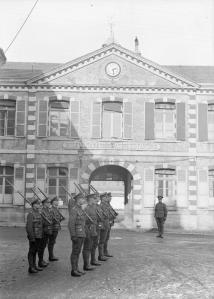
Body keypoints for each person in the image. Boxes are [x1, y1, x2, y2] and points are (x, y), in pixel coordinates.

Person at [68, 193, 86, 277]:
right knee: (75, 252)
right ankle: (74, 270)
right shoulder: (74, 210)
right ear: (78, 199)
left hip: (81, 234)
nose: (84, 200)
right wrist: (73, 235)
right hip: (77, 235)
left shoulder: (80, 209)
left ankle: (77, 268)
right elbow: (71, 224)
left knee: (78, 252)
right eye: (82, 199)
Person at [26, 198, 43, 274]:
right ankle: (31, 267)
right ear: (33, 205)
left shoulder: (38, 213)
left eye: (39, 204)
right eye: (37, 204)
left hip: (39, 236)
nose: (38, 205)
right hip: (34, 236)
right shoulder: (31, 214)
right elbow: (29, 227)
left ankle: (34, 266)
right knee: (32, 251)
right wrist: (31, 237)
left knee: (35, 251)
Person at [82, 193, 97, 270]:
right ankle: (86, 265)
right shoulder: (87, 208)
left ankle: (88, 263)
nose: (96, 200)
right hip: (88, 230)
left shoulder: (92, 207)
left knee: (90, 246)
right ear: (90, 199)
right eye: (94, 199)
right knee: (87, 247)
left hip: (92, 230)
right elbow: (84, 221)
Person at [48, 196, 65, 261]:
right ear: (53, 202)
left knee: (52, 241)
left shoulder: (56, 209)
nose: (57, 202)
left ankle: (51, 255)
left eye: (58, 201)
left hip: (56, 228)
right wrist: (57, 220)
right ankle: (51, 256)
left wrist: (60, 219)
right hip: (52, 228)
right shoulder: (51, 209)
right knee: (51, 242)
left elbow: (57, 219)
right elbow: (50, 219)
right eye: (56, 201)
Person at [38, 197, 53, 267]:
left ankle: (42, 260)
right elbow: (41, 221)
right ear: (44, 203)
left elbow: (50, 218)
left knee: (44, 246)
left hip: (47, 230)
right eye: (48, 203)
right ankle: (40, 261)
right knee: (41, 246)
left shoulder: (48, 210)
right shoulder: (42, 211)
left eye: (50, 202)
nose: (49, 204)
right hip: (43, 231)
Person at [103, 192, 118, 257]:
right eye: (109, 197)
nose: (110, 198)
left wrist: (114, 214)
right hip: (105, 224)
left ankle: (105, 252)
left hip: (109, 223)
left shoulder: (108, 205)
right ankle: (104, 252)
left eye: (110, 197)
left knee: (106, 238)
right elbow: (105, 215)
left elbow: (111, 212)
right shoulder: (103, 205)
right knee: (104, 239)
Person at [98, 192, 110, 261]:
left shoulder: (106, 205)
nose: (106, 198)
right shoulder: (101, 206)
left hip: (107, 224)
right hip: (103, 225)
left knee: (105, 239)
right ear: (102, 198)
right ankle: (101, 255)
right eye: (105, 197)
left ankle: (104, 253)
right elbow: (101, 216)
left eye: (106, 197)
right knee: (102, 241)